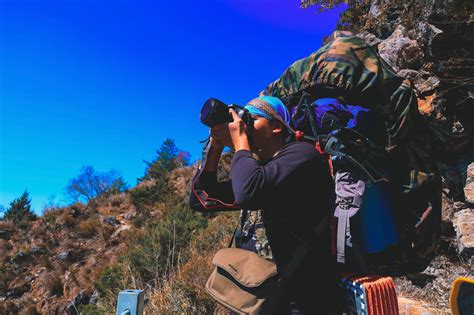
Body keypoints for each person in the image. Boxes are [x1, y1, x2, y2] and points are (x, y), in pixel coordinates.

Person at [190, 96, 340, 314]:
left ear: (277, 126)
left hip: (299, 301)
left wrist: (240, 142)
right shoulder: (259, 172)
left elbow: (248, 193)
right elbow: (200, 199)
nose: (244, 125)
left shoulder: (302, 156)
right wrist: (216, 146)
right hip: (255, 297)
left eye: (251, 119)